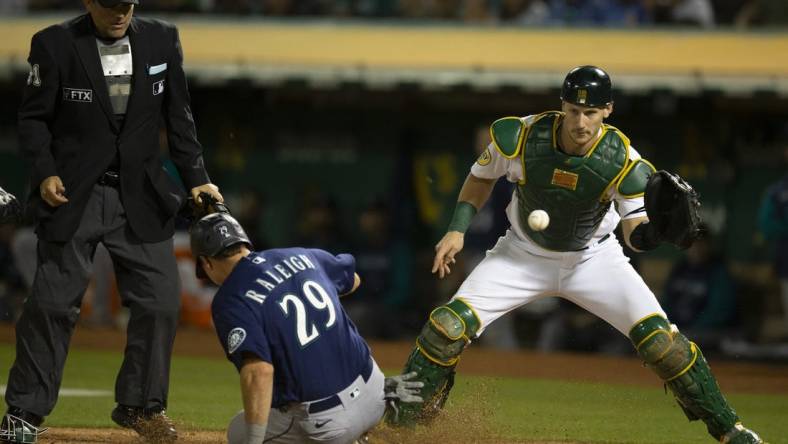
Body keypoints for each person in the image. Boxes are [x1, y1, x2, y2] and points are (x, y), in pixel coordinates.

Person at [390, 66, 764, 444]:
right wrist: (456, 229)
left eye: (590, 112)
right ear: (562, 107)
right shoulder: (521, 136)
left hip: (593, 260)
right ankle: (402, 428)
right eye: (573, 110)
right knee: (446, 328)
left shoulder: (624, 162)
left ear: (608, 111)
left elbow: (634, 236)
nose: (580, 121)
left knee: (663, 345)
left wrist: (655, 234)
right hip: (521, 255)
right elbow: (481, 177)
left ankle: (731, 431)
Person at [1, 0, 222, 442]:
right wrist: (45, 171)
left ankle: (140, 406)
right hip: (73, 193)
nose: (119, 12)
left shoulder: (162, 38)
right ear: (88, 2)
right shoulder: (55, 43)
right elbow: (33, 121)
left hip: (140, 195)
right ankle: (24, 412)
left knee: (160, 301)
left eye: (127, 3)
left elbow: (180, 118)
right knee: (50, 304)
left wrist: (197, 178)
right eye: (109, 4)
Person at [189, 211, 423, 444]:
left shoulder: (230, 299)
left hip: (329, 424)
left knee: (239, 432)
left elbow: (258, 372)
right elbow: (354, 280)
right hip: (376, 392)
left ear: (207, 263)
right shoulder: (301, 254)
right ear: (244, 243)